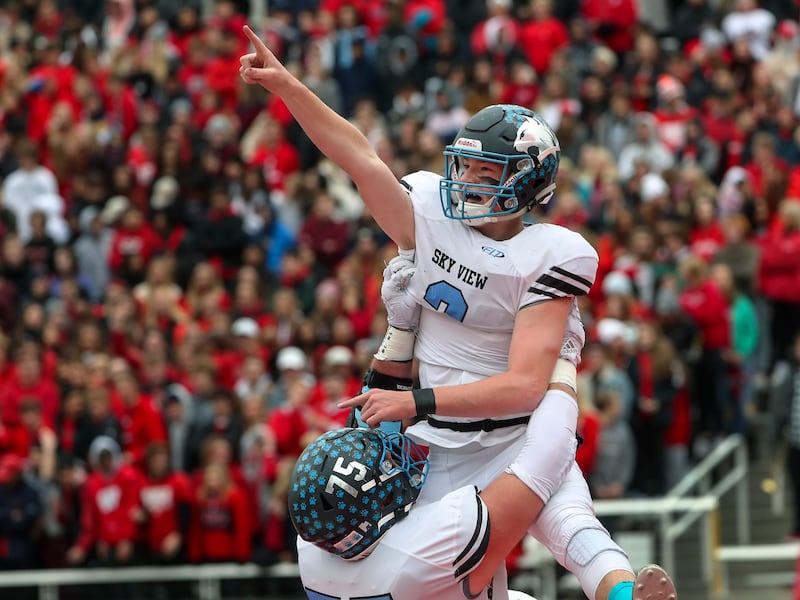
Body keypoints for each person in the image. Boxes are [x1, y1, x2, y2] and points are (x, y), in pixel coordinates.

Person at [239, 26, 665, 600]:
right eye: (464, 168)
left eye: (486, 174)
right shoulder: (428, 217)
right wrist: (290, 87)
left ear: (529, 184)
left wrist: (415, 400)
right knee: (476, 566)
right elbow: (359, 158)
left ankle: (625, 594)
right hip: (436, 445)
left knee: (571, 524)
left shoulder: (549, 253)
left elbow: (523, 386)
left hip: (514, 432)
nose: (465, 183)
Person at [288, 425, 676, 600]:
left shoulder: (315, 543)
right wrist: (562, 377)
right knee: (567, 517)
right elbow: (538, 470)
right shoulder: (422, 545)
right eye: (385, 466)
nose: (395, 461)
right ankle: (621, 593)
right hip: (439, 581)